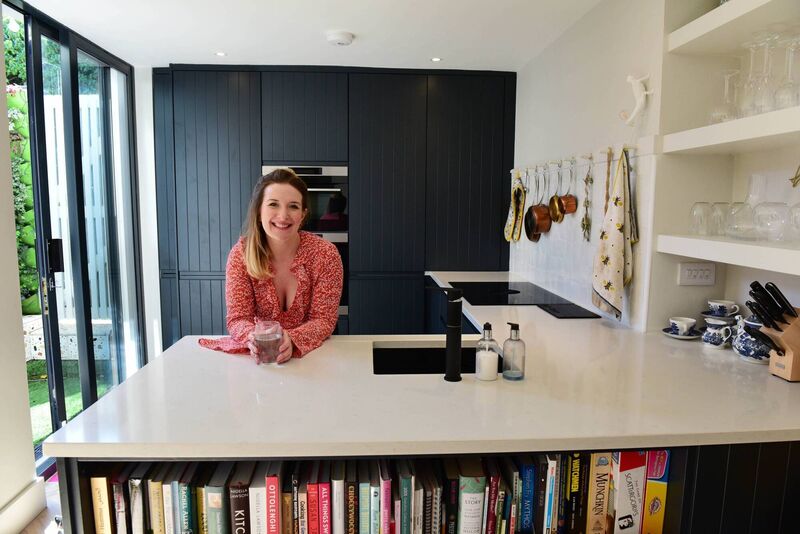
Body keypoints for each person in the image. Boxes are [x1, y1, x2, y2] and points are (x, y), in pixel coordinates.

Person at [199, 168, 343, 363]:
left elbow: (323, 319)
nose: (283, 216)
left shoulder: (326, 254)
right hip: (261, 358)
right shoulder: (241, 254)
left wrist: (292, 340)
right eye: (273, 204)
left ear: (303, 215)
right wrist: (253, 338)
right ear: (259, 211)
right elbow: (238, 318)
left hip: (313, 359)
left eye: (293, 206)